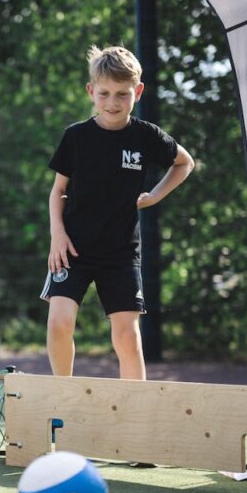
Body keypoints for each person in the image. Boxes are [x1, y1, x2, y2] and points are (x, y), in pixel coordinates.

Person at [44, 45, 194, 380]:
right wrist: (57, 235)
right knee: (59, 322)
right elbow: (58, 191)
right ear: (91, 91)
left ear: (137, 92)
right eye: (105, 93)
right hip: (72, 249)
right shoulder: (76, 137)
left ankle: (134, 407)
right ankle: (63, 395)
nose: (113, 102)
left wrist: (155, 196)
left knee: (127, 336)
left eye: (122, 94)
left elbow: (184, 163)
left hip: (121, 252)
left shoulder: (146, 136)